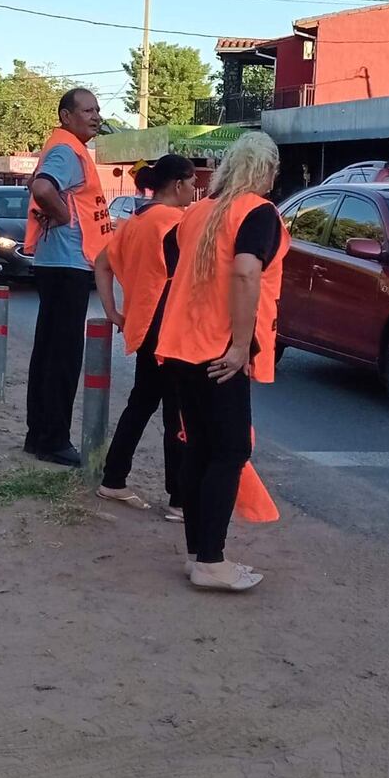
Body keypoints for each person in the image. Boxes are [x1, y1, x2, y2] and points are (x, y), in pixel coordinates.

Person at [157, 132, 290, 592]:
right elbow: (246, 270)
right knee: (230, 450)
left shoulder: (197, 211)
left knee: (201, 448)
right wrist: (239, 345)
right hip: (218, 351)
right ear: (266, 171)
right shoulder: (258, 212)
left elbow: (170, 253)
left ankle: (199, 554)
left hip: (179, 343)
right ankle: (211, 560)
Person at [94, 155, 196, 516]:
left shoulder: (134, 220)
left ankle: (114, 478)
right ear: (178, 184)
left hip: (143, 324)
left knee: (141, 405)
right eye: (192, 183)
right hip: (170, 327)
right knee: (177, 413)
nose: (195, 190)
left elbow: (102, 264)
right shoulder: (177, 223)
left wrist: (112, 311)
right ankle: (180, 499)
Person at [23, 88, 112, 466]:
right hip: (67, 264)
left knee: (48, 352)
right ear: (66, 116)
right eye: (87, 110)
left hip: (58, 263)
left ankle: (38, 435)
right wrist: (60, 215)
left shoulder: (69, 148)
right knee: (62, 356)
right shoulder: (67, 151)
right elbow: (42, 188)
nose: (94, 116)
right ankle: (54, 440)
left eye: (97, 110)